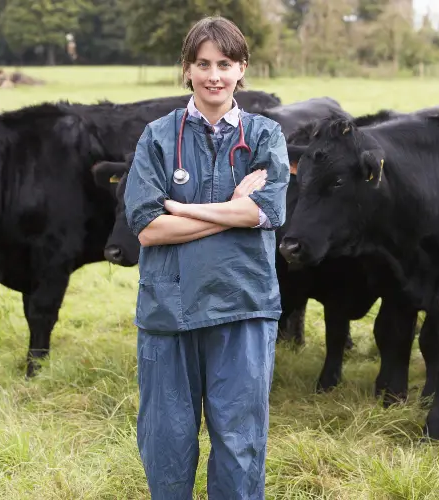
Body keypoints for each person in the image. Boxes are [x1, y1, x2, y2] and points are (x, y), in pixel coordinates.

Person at [123, 15, 289, 500]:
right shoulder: (158, 136)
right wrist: (233, 211)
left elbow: (269, 210)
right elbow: (149, 229)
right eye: (203, 63)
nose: (213, 75)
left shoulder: (264, 136)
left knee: (240, 441)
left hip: (244, 304)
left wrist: (184, 209)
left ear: (241, 69)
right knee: (166, 441)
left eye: (225, 63)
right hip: (168, 309)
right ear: (187, 69)